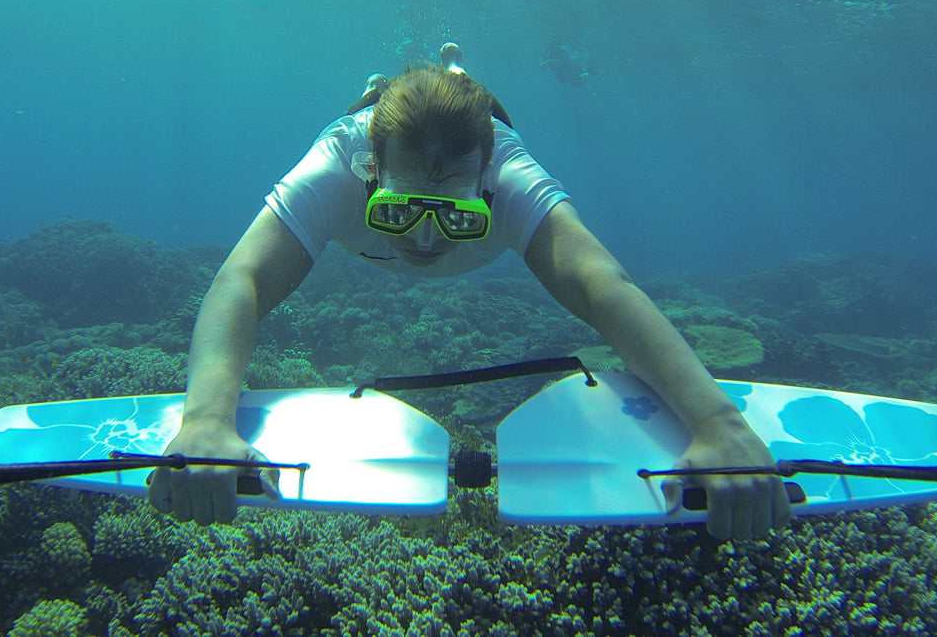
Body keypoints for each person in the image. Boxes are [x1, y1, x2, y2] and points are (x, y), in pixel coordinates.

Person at [153, 42, 794, 541]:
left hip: (482, 126)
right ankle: (383, 92)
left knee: (471, 98)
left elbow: (605, 286)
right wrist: (205, 419)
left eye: (458, 217)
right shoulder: (337, 164)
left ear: (488, 188)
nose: (426, 244)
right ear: (369, 176)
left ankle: (456, 75)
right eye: (398, 211)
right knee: (376, 107)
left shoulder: (512, 175)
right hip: (371, 125)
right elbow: (242, 279)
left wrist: (718, 423)